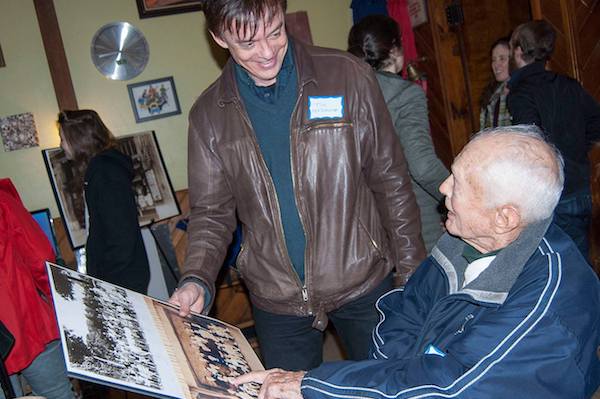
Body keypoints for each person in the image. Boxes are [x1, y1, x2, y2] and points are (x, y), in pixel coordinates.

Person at [235, 125, 600, 398]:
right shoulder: (462, 241)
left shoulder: (546, 301)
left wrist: (312, 385)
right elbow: (403, 314)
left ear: (503, 217)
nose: (442, 189)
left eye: (457, 183)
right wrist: (393, 377)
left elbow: (454, 384)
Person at [169, 0, 425, 371]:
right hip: (277, 300)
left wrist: (412, 274)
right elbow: (211, 214)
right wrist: (196, 279)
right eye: (248, 43)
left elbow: (390, 178)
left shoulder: (347, 75)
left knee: (391, 385)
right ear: (219, 37)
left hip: (364, 280)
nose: (268, 52)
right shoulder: (209, 115)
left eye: (275, 32)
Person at [348, 14, 449, 252]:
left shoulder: (346, 95)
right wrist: (457, 198)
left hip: (370, 225)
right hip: (415, 220)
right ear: (394, 49)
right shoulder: (405, 95)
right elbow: (422, 165)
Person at [507, 20, 600, 259]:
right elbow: (596, 125)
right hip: (579, 188)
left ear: (518, 51)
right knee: (580, 265)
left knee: (559, 269)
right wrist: (575, 149)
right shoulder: (569, 85)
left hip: (550, 194)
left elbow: (530, 143)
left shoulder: (522, 93)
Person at [57, 110, 150, 294]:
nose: (61, 145)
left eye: (63, 139)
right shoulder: (98, 169)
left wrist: (106, 282)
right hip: (115, 278)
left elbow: (121, 236)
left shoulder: (105, 172)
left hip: (119, 280)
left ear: (78, 139)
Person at [0, 178, 74, 399]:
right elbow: (41, 256)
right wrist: (53, 301)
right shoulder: (3, 201)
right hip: (29, 323)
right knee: (58, 394)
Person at [479, 37, 512, 129]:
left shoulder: (520, 89)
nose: (496, 64)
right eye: (494, 60)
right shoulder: (492, 93)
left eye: (502, 59)